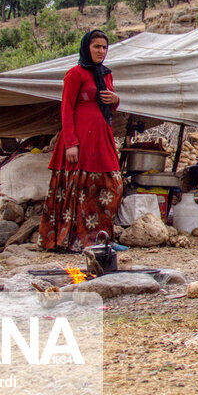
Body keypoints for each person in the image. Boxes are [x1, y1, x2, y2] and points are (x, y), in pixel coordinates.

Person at [40, 30, 123, 251]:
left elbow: (109, 105)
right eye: (96, 46)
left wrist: (116, 100)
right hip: (81, 138)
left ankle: (100, 237)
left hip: (101, 137)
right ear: (87, 47)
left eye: (104, 47)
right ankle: (75, 239)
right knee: (78, 188)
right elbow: (66, 108)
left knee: (112, 184)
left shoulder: (106, 74)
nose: (101, 51)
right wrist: (71, 143)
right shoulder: (74, 74)